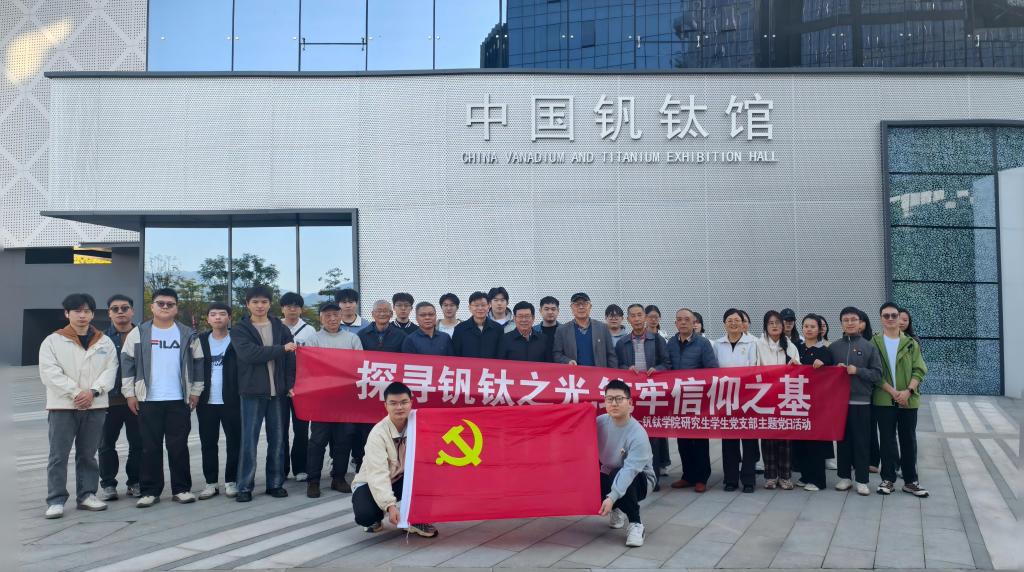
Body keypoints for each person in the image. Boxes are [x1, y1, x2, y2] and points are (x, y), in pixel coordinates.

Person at [121, 287, 204, 507]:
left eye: (170, 304)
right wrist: (129, 394)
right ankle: (150, 491)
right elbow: (127, 363)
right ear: (152, 307)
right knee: (149, 447)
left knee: (179, 446)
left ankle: (182, 489)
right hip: (148, 399)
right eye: (161, 303)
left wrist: (195, 391)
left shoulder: (187, 334)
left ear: (176, 308)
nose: (165, 307)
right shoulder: (139, 333)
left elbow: (198, 363)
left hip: (179, 399)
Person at [39, 293, 118, 519]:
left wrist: (93, 392)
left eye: (86, 311)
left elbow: (110, 370)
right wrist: (76, 393)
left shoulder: (104, 341)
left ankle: (87, 495)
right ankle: (56, 499)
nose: (82, 315)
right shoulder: (52, 341)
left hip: (95, 405)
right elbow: (49, 373)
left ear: (93, 314)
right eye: (77, 311)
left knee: (88, 454)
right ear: (67, 314)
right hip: (63, 406)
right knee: (58, 455)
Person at [231, 286, 297, 503]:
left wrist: (289, 384)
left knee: (277, 440)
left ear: (270, 304)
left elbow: (290, 360)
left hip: (277, 393)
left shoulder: (280, 327)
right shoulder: (240, 329)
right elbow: (249, 354)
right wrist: (281, 348)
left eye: (264, 302)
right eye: (255, 302)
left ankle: (275, 483)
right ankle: (244, 486)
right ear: (247, 304)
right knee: (248, 441)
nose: (260, 306)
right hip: (251, 392)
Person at [351, 382, 438, 538]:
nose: (399, 407)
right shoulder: (377, 434)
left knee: (429, 475)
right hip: (371, 481)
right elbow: (378, 475)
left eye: (404, 402)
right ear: (386, 405)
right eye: (393, 403)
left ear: (411, 402)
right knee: (366, 515)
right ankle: (376, 517)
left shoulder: (419, 424)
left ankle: (415, 520)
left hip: (402, 478)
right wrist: (390, 506)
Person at [305, 301, 364, 497]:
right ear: (321, 318)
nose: (332, 319)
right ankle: (313, 480)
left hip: (345, 399)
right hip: (321, 399)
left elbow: (359, 366)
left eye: (335, 315)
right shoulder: (313, 339)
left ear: (341, 316)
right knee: (317, 441)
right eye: (327, 315)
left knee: (344, 440)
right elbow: (310, 367)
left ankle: (338, 477)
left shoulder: (352, 338)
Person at [873, 302, 929, 498]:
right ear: (881, 319)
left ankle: (911, 481)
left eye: (893, 315)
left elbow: (919, 369)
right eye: (886, 315)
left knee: (908, 440)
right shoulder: (874, 343)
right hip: (884, 399)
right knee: (887, 440)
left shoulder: (911, 343)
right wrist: (893, 392)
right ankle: (887, 479)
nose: (890, 319)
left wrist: (908, 391)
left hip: (908, 400)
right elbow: (874, 372)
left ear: (899, 318)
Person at [830, 307, 883, 497]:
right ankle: (844, 477)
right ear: (841, 324)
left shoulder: (869, 347)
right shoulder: (834, 347)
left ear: (860, 323)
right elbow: (824, 374)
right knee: (842, 441)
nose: (850, 323)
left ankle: (862, 480)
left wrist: (857, 371)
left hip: (862, 403)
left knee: (862, 442)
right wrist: (834, 369)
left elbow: (877, 374)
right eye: (846, 320)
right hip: (840, 404)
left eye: (853, 319)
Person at [597, 379, 656, 548]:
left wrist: (611, 497)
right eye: (609, 399)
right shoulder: (600, 422)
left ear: (630, 403)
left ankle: (636, 524)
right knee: (590, 475)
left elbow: (630, 470)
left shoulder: (638, 434)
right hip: (609, 472)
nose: (614, 403)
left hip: (640, 480)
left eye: (619, 399)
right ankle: (616, 509)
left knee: (620, 473)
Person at [616, 304, 670, 483]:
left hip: (652, 395)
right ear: (628, 319)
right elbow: (616, 366)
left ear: (645, 317)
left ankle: (652, 476)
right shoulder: (622, 343)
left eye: (640, 315)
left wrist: (658, 369)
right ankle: (634, 475)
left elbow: (667, 364)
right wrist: (626, 368)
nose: (637, 319)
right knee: (631, 434)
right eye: (633, 316)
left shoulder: (657, 340)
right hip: (631, 395)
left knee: (652, 435)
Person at [666, 308, 719, 493]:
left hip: (697, 398)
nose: (683, 322)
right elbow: (667, 367)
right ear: (675, 323)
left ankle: (702, 477)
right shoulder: (670, 343)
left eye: (687, 319)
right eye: (679, 319)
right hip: (678, 399)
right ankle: (687, 475)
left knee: (700, 439)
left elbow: (712, 369)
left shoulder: (703, 343)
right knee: (682, 439)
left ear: (694, 323)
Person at [97, 294, 142, 501]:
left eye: (125, 308)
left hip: (138, 400)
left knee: (138, 444)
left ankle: (135, 482)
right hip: (109, 400)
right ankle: (108, 484)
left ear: (132, 311)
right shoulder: (101, 339)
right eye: (115, 309)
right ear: (109, 313)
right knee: (106, 445)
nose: (120, 312)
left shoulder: (143, 336)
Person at [196, 302, 241, 500]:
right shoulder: (200, 340)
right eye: (213, 314)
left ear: (229, 318)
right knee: (208, 443)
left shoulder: (237, 339)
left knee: (234, 442)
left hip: (232, 399)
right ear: (208, 318)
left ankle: (232, 481)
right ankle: (211, 483)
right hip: (206, 401)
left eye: (222, 314)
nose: (217, 317)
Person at [713, 309, 759, 493]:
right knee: (729, 441)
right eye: (730, 320)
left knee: (749, 440)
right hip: (725, 397)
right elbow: (713, 369)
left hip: (748, 397)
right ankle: (730, 479)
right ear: (724, 324)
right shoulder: (718, 344)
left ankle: (748, 479)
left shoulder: (753, 343)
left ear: (743, 323)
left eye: (737, 320)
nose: (733, 323)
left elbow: (754, 367)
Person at [756, 311, 801, 491]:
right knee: (768, 437)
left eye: (778, 323)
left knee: (785, 437)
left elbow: (798, 370)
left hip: (785, 396)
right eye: (771, 323)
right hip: (765, 395)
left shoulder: (790, 346)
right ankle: (770, 476)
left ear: (783, 326)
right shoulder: (758, 345)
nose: (775, 326)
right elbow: (753, 368)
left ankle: (785, 476)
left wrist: (795, 366)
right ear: (765, 326)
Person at [792, 314, 834, 491]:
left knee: (815, 442)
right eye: (806, 326)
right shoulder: (797, 348)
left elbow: (832, 374)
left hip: (817, 403)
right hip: (798, 400)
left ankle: (818, 480)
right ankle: (805, 475)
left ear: (819, 330)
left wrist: (824, 364)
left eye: (812, 326)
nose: (809, 329)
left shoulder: (825, 350)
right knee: (801, 441)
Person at [280, 291, 314, 482]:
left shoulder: (309, 330)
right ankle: (281, 468)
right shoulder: (275, 327)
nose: (292, 309)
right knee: (280, 429)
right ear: (282, 308)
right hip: (279, 385)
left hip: (302, 385)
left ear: (301, 309)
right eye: (288, 306)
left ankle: (300, 467)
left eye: (296, 306)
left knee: (301, 428)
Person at [553, 293, 617, 368]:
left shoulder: (602, 328)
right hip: (574, 374)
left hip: (599, 373)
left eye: (585, 304)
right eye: (577, 304)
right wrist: (567, 361)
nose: (581, 307)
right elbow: (557, 354)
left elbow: (611, 355)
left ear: (590, 307)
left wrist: (613, 373)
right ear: (571, 308)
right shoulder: (562, 330)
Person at [452, 291, 504, 359]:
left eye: (483, 305)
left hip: (491, 366)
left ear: (489, 306)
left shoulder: (498, 328)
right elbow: (455, 355)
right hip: (467, 366)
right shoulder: (460, 329)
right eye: (476, 305)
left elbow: (501, 354)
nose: (480, 308)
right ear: (470, 307)